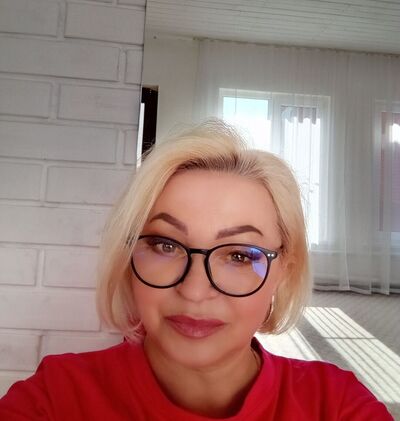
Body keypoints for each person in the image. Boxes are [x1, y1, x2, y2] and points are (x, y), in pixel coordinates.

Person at [0, 120, 393, 420]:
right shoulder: (56, 398)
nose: (194, 290)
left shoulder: (335, 405)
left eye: (240, 255)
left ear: (284, 272)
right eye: (165, 245)